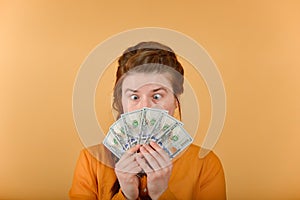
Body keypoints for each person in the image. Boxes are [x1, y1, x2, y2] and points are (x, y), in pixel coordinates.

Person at [69, 41, 226, 200]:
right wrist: (126, 195)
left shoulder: (206, 164)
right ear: (121, 101)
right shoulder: (91, 161)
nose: (145, 107)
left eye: (157, 96)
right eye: (134, 97)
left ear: (175, 99)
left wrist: (161, 194)